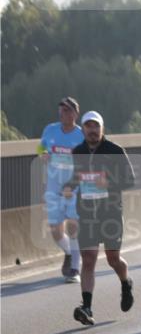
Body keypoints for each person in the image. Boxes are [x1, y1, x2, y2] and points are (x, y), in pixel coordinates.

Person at [69, 111, 137, 325]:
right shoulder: (77, 151)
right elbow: (75, 178)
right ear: (83, 129)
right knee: (88, 258)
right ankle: (87, 307)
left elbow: (130, 180)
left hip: (111, 213)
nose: (92, 130)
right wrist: (69, 187)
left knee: (112, 259)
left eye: (96, 126)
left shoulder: (115, 151)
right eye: (88, 126)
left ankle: (126, 283)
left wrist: (107, 183)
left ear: (102, 128)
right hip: (87, 214)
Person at [38, 96, 84, 282]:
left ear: (75, 113)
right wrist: (43, 154)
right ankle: (69, 252)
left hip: (74, 188)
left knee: (73, 226)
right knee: (56, 231)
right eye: (61, 110)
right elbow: (41, 147)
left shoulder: (81, 134)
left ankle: (75, 269)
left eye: (67, 110)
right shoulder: (50, 130)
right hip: (54, 187)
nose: (63, 113)